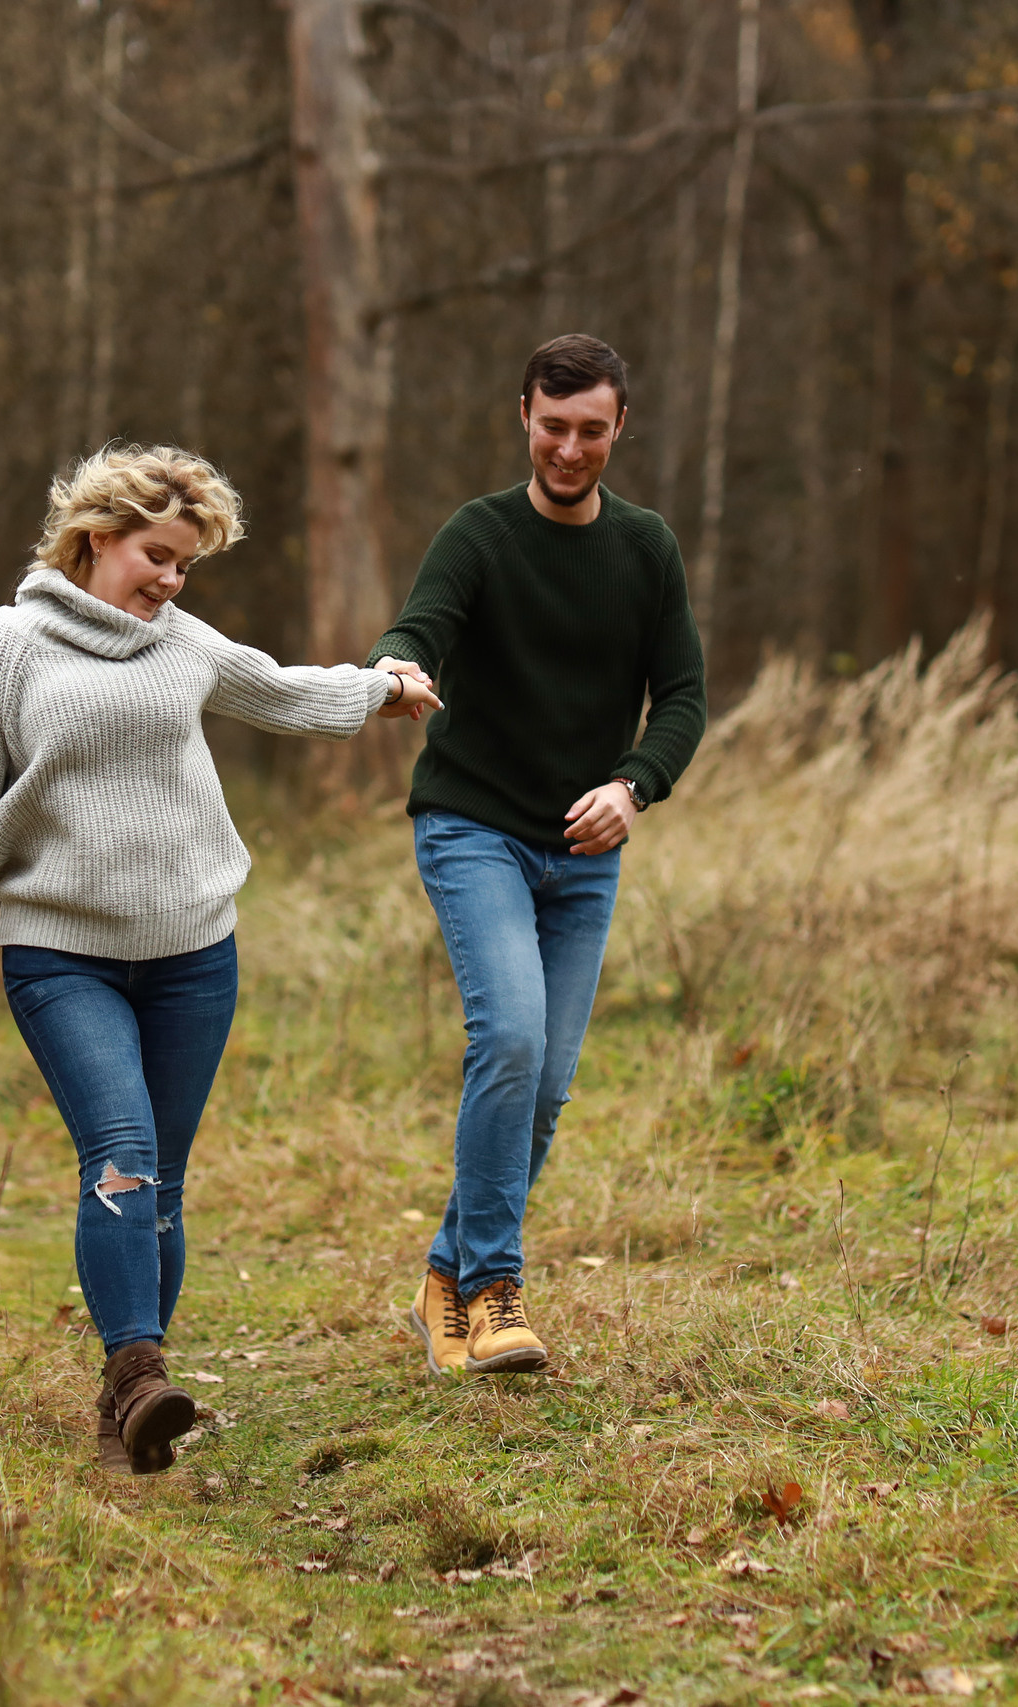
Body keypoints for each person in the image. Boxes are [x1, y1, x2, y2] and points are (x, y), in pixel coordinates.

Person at [0, 445, 438, 1471]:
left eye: (185, 566)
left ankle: (133, 1407)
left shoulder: (181, 641)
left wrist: (378, 687)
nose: (169, 580)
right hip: (60, 953)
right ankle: (136, 1378)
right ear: (95, 537)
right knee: (119, 1156)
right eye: (156, 556)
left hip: (193, 953)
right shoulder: (8, 650)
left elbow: (281, 691)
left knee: (160, 1185)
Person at [370, 334, 706, 1376]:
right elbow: (419, 624)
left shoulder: (645, 548)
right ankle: (492, 1290)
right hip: (474, 828)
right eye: (552, 427)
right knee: (508, 1039)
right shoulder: (479, 534)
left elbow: (683, 696)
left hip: (584, 848)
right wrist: (402, 668)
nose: (569, 448)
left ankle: (441, 1276)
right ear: (524, 415)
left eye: (590, 431)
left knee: (546, 1083)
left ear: (618, 430)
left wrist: (633, 784)